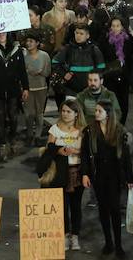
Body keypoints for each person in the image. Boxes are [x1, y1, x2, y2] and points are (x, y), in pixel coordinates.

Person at [80, 101, 133, 258]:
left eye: (99, 110)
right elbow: (84, 154)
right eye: (96, 110)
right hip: (98, 176)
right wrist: (85, 174)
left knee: (115, 210)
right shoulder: (90, 131)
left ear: (108, 113)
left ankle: (118, 244)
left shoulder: (119, 131)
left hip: (115, 175)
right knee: (103, 209)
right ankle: (108, 242)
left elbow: (126, 157)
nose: (96, 113)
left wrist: (130, 178)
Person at [47, 99, 85, 251]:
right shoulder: (54, 129)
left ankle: (75, 236)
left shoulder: (82, 130)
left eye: (69, 111)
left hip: (77, 170)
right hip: (60, 171)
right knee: (62, 206)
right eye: (63, 111)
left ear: (76, 114)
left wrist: (75, 151)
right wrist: (59, 150)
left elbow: (87, 151)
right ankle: (64, 235)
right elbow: (49, 147)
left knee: (76, 206)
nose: (65, 114)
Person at [0, 31, 29, 160]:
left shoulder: (17, 49)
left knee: (13, 117)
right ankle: (3, 144)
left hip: (13, 89)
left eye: (3, 32)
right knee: (0, 118)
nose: (1, 34)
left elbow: (22, 70)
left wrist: (25, 88)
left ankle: (13, 140)